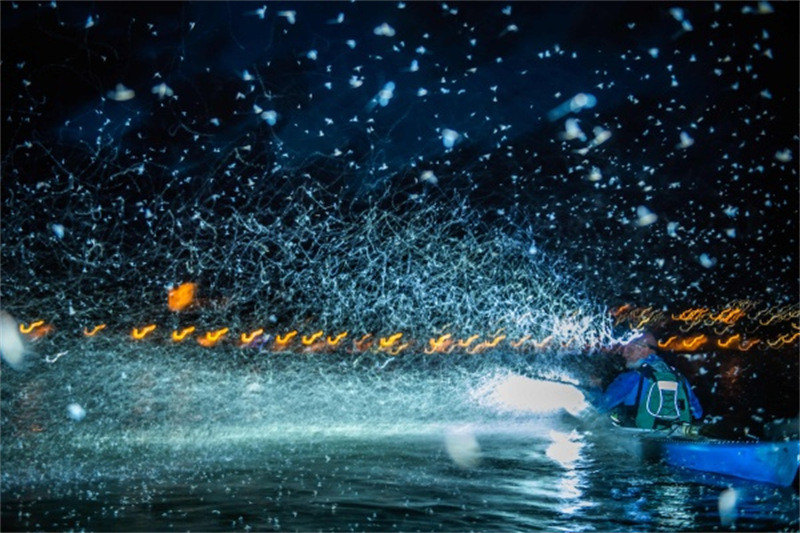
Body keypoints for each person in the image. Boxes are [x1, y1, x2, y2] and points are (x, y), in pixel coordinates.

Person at [597, 332, 703, 430]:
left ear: (645, 350)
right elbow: (698, 413)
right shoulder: (678, 376)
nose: (624, 354)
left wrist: (593, 388)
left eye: (630, 350)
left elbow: (600, 406)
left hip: (638, 441)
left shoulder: (631, 378)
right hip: (673, 437)